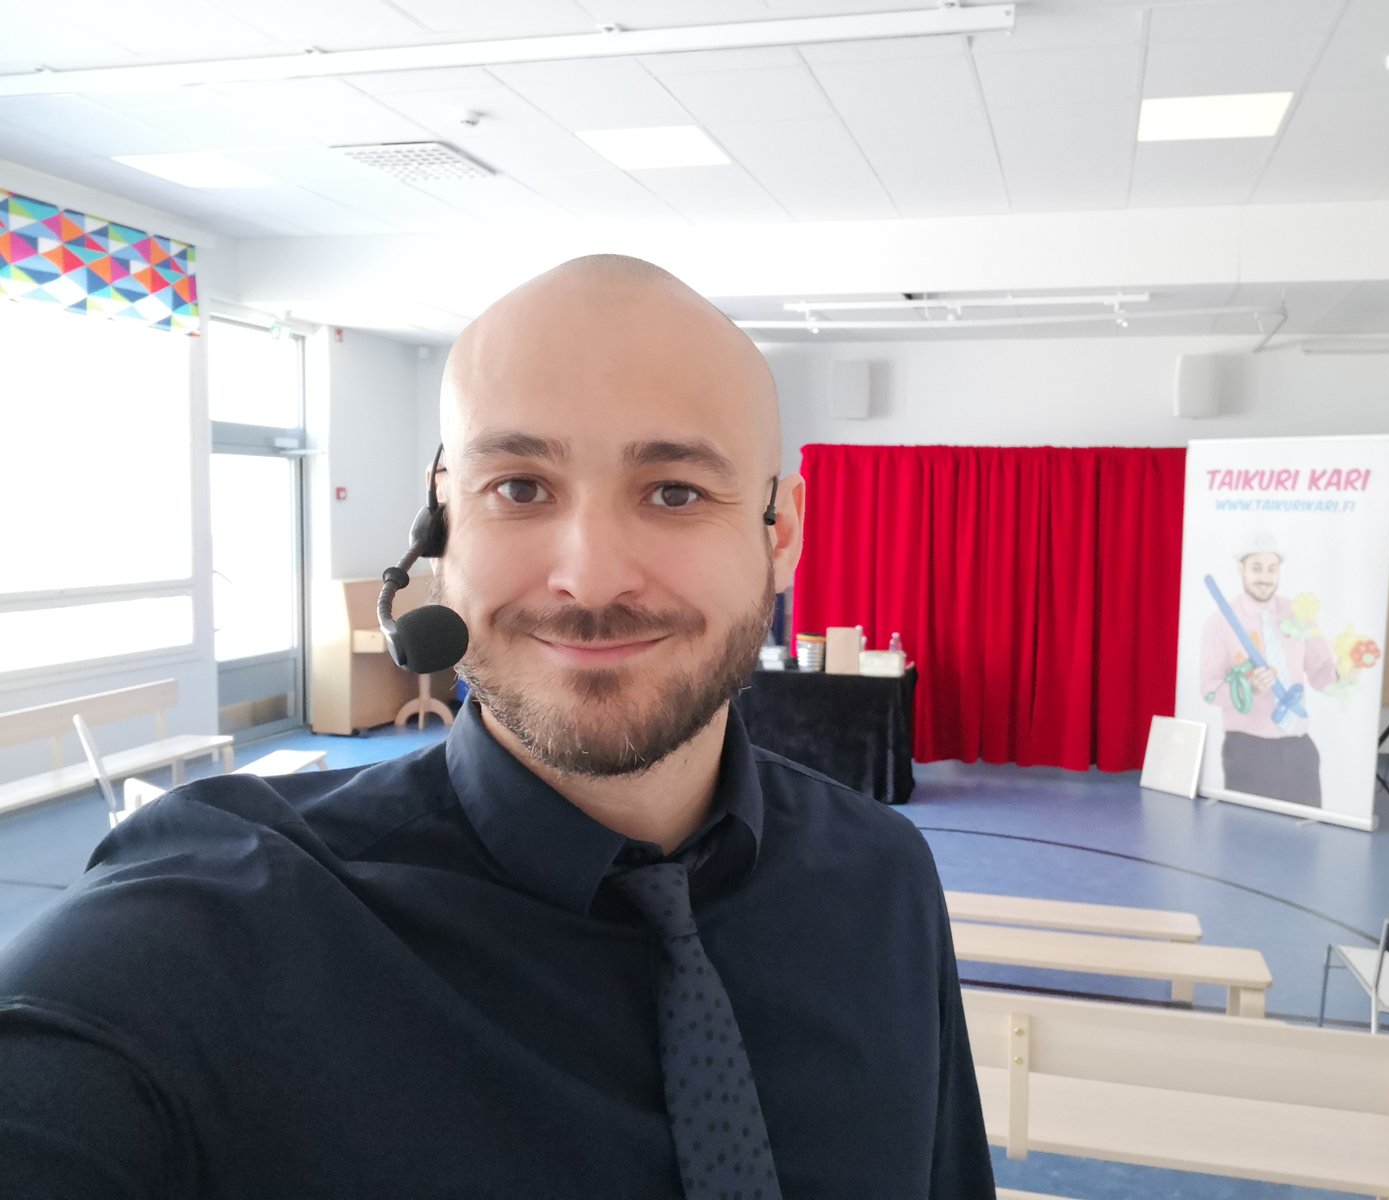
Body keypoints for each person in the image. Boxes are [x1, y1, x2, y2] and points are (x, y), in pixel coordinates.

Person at [0, 256, 995, 1199]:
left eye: (675, 491)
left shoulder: (884, 878)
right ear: (442, 526)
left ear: (781, 535)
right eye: (519, 487)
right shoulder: (213, 931)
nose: (590, 579)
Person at [1199, 533, 1340, 807]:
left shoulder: (1298, 614)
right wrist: (1246, 688)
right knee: (1248, 829)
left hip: (1299, 749)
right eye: (1256, 568)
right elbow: (1208, 690)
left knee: (1306, 829)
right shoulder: (1220, 622)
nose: (1265, 577)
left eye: (1272, 569)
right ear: (1241, 569)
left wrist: (1342, 675)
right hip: (1247, 750)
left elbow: (1320, 672)